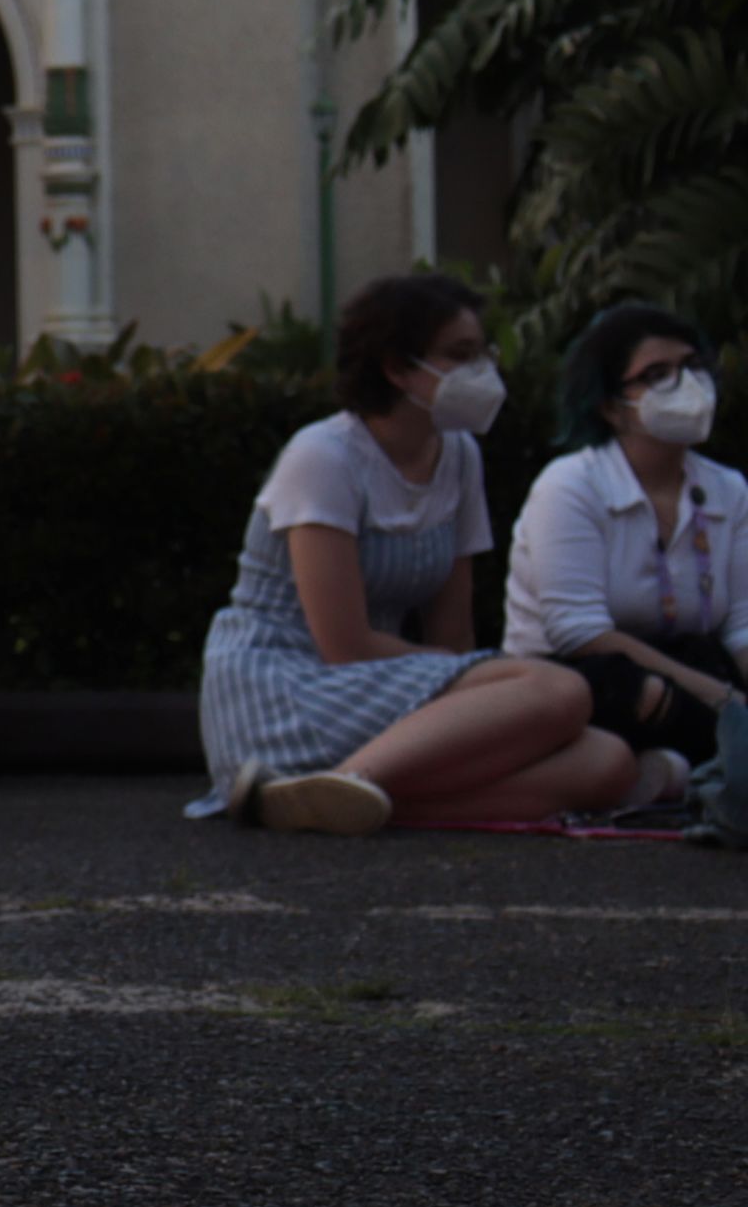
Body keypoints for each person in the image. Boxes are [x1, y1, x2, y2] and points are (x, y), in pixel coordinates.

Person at [196, 272, 637, 834]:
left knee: (607, 762)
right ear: (397, 367)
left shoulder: (458, 456)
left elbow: (452, 637)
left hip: (375, 688)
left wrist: (483, 691)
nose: (483, 371)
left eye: (484, 353)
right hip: (289, 687)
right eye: (460, 355)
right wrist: (490, 683)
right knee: (558, 690)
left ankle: (328, 803)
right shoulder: (324, 457)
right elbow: (345, 646)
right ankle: (350, 780)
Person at [502, 302, 741, 774]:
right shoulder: (571, 485)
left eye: (693, 367)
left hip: (684, 665)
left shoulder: (727, 489)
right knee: (640, 692)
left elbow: (742, 621)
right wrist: (721, 700)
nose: (686, 384)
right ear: (612, 407)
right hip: (571, 676)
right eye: (657, 374)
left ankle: (679, 771)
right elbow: (579, 632)